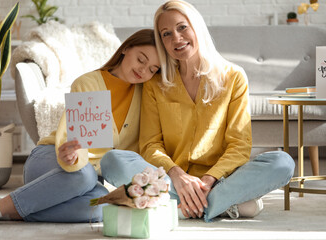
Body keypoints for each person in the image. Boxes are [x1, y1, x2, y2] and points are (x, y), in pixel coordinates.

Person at [100, 0, 295, 222]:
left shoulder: (234, 77)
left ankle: (180, 207)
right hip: (172, 179)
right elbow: (150, 144)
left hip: (220, 180)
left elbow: (239, 145)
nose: (176, 38)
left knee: (283, 163)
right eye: (166, 34)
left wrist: (209, 180)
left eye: (182, 27)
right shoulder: (155, 83)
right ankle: (224, 205)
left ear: (196, 26)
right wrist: (178, 175)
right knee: (113, 161)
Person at [0, 29, 160, 226]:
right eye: (141, 59)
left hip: (84, 182)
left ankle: (8, 208)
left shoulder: (146, 95)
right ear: (126, 48)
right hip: (51, 161)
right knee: (83, 174)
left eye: (153, 69)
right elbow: (75, 139)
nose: (144, 71)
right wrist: (72, 157)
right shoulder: (88, 83)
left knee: (100, 204)